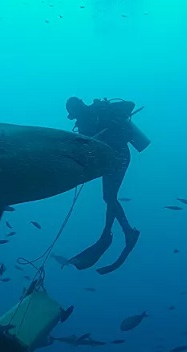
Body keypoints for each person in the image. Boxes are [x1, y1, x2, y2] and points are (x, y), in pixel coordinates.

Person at [65, 96, 145, 275]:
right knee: (109, 197)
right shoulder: (83, 124)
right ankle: (117, 233)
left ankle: (115, 234)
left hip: (119, 155)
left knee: (109, 197)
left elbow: (130, 104)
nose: (76, 115)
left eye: (75, 110)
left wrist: (108, 117)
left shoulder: (99, 109)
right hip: (108, 159)